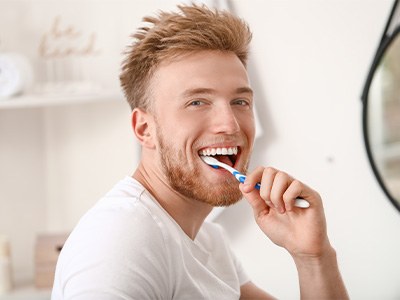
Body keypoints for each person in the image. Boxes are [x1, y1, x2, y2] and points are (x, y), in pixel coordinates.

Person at [51, 4, 349, 299]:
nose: (230, 124)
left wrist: (314, 257)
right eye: (197, 102)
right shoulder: (119, 241)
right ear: (144, 129)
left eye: (240, 102)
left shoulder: (208, 239)